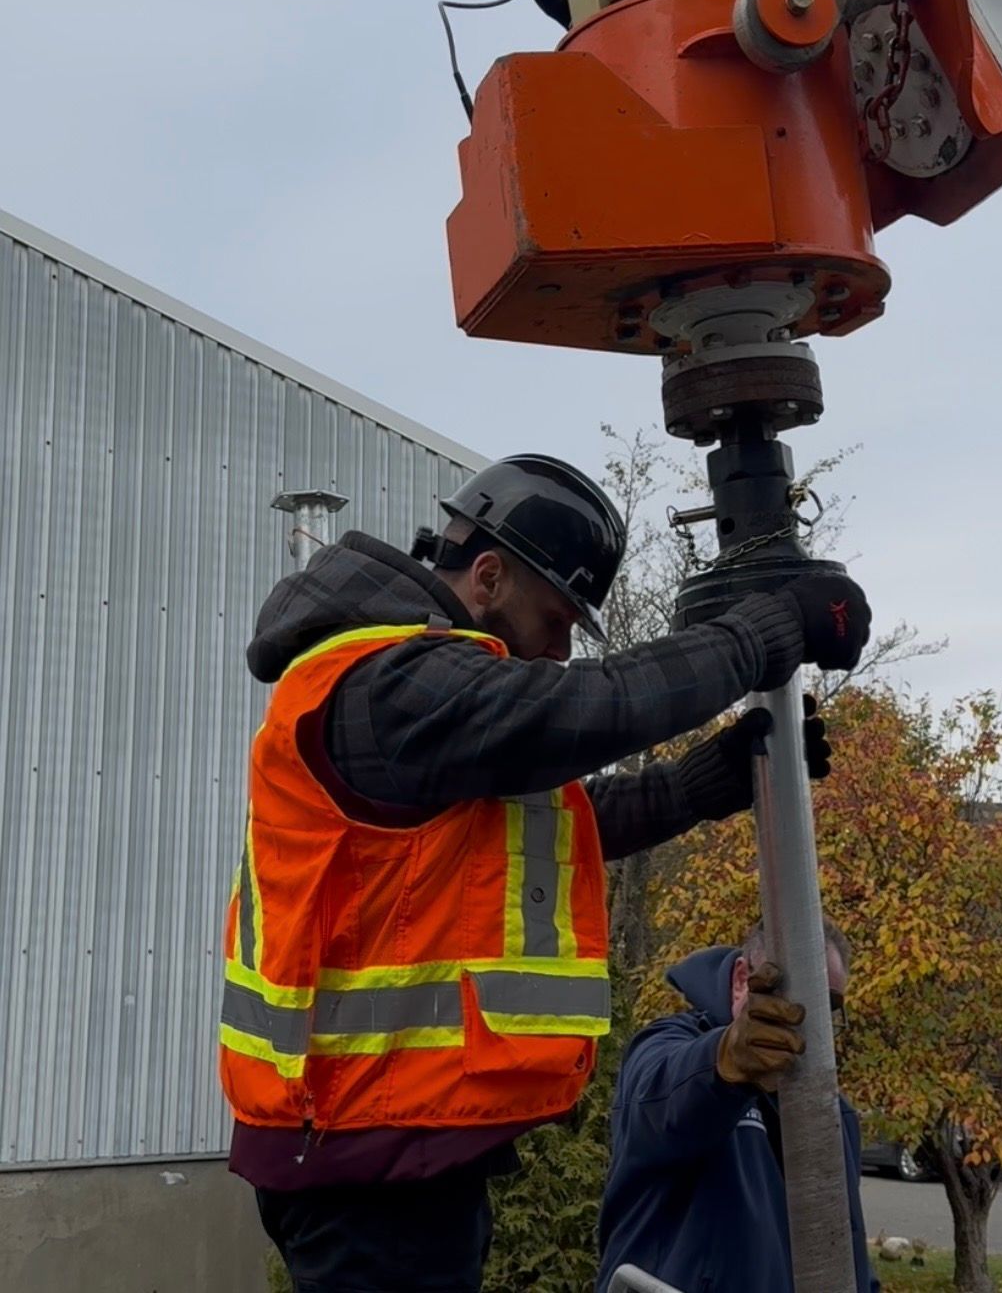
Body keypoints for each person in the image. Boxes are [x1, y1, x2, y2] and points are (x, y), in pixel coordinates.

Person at [217, 453, 870, 1293]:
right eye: (558, 618)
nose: (562, 650)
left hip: (385, 1144)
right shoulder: (390, 680)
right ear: (487, 575)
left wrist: (691, 788)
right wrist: (763, 633)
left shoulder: (413, 693)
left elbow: (532, 833)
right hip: (366, 1152)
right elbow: (578, 711)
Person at [598, 920, 880, 1293]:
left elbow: (848, 1252)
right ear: (741, 979)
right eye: (790, 996)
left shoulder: (834, 1115)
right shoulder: (667, 1046)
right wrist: (724, 1062)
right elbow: (662, 1100)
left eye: (826, 1006)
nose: (807, 1021)